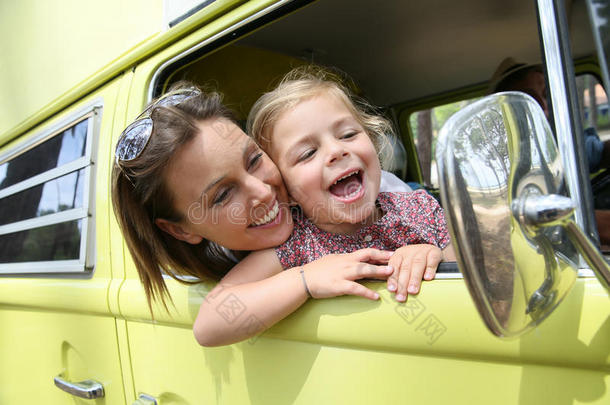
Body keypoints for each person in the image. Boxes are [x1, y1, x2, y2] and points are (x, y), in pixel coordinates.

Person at [193, 67, 456, 346]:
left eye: (348, 134)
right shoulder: (297, 246)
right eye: (308, 153)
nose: (336, 151)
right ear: (287, 189)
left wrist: (434, 255)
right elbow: (210, 323)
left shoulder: (421, 209)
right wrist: (305, 280)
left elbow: (480, 279)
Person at [112, 84, 395, 315]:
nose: (262, 191)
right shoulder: (246, 273)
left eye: (254, 159)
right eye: (223, 195)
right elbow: (214, 318)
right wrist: (305, 279)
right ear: (181, 229)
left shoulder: (385, 196)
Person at [490, 57, 610, 248]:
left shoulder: (556, 145)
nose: (544, 106)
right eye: (529, 99)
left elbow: (597, 152)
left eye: (545, 95)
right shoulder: (497, 163)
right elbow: (537, 221)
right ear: (503, 110)